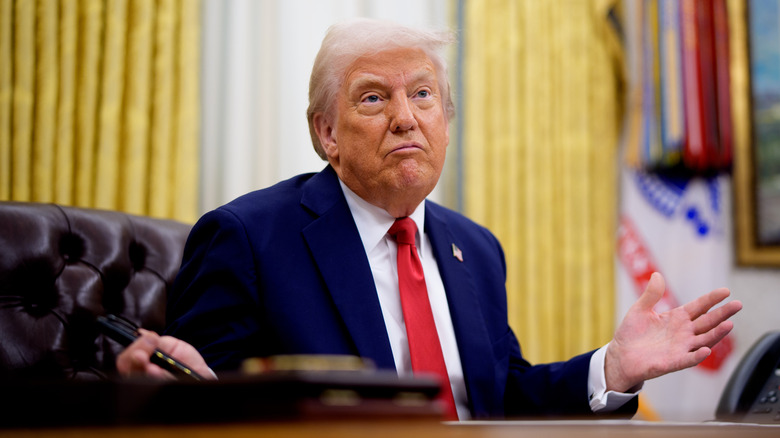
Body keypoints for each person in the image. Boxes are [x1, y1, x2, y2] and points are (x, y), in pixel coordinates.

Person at [117, 18, 742, 420]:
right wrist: (158, 394)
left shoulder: (476, 247)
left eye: (422, 95)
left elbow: (503, 396)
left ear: (447, 119)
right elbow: (196, 403)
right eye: (372, 97)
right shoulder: (248, 238)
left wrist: (611, 368)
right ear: (326, 132)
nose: (405, 117)